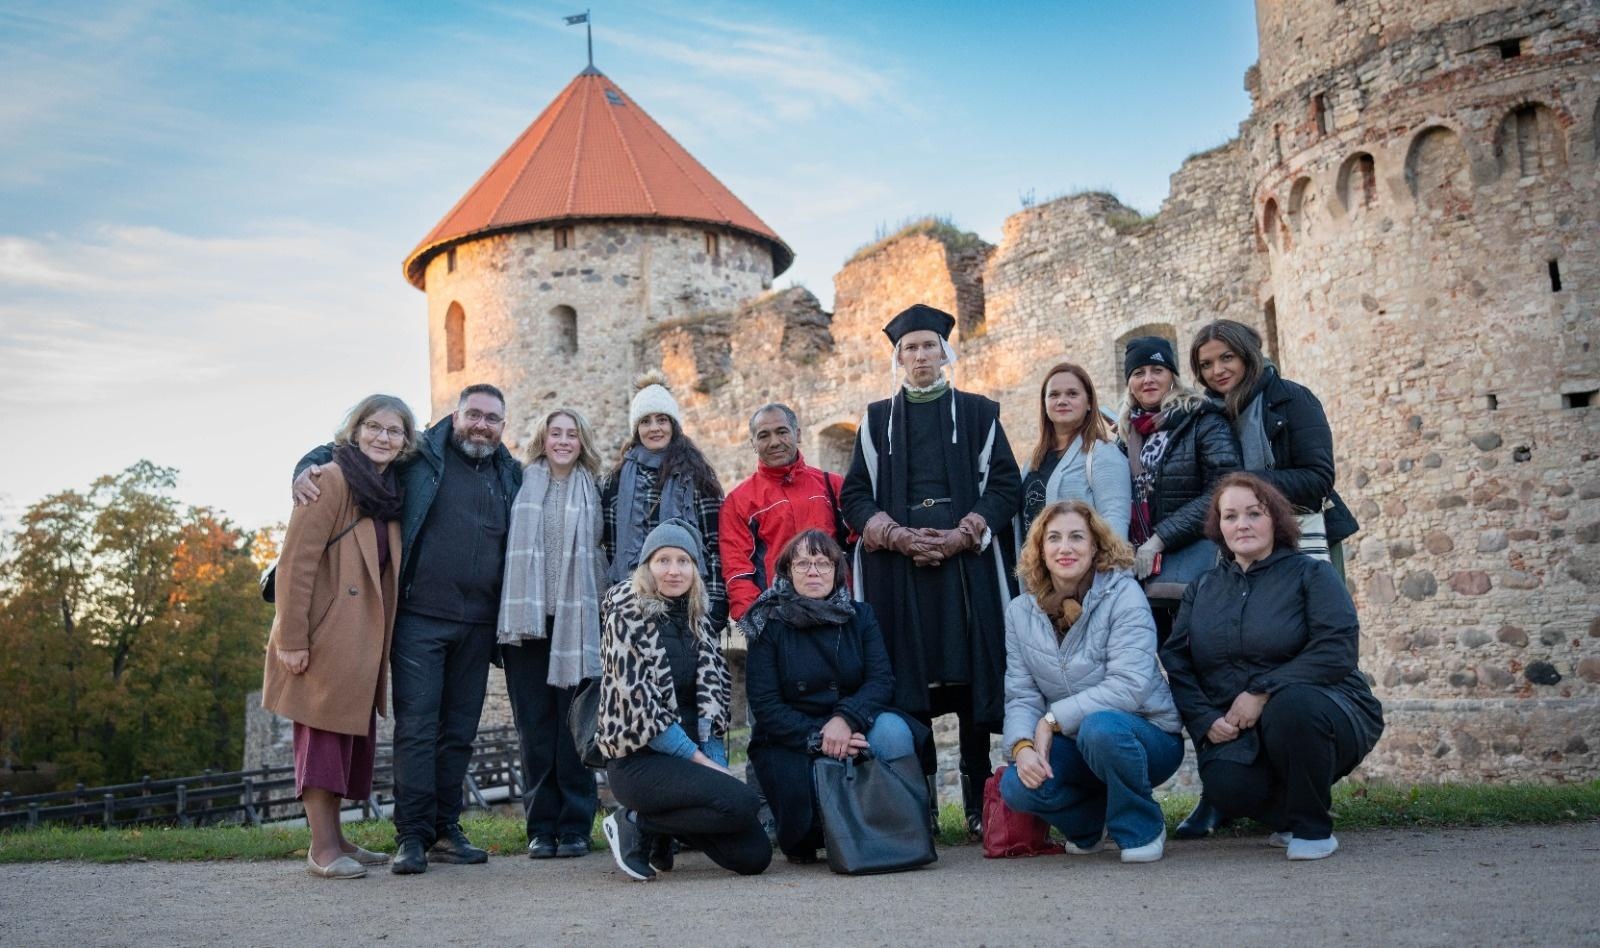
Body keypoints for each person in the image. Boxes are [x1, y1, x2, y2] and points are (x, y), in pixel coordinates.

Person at [293, 383, 522, 874]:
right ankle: (412, 835)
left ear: (503, 427)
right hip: (419, 617)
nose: (481, 425)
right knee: (418, 729)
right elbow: (347, 448)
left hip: (479, 622)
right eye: (473, 415)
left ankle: (444, 829)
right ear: (455, 416)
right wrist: (302, 469)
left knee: (458, 732)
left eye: (492, 419)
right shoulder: (420, 455)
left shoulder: (510, 472)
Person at [840, 303, 1022, 834]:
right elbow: (854, 495)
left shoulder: (980, 413)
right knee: (909, 679)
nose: (920, 356)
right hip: (900, 573)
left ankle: (976, 799)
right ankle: (918, 801)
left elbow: (1006, 485)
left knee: (969, 679)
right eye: (910, 348)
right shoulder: (876, 420)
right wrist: (894, 535)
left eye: (928, 346)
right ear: (898, 357)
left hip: (964, 567)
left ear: (945, 353)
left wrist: (963, 532)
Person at [1161, 473, 1384, 861]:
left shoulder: (1312, 573)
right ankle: (1289, 812)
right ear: (1219, 527)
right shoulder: (1203, 588)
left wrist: (1261, 690)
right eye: (1230, 516)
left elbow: (1336, 650)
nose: (1242, 524)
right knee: (1227, 787)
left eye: (1254, 513)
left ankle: (1312, 828)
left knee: (1291, 706)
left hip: (1326, 708)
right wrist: (1204, 718)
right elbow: (1177, 659)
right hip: (1238, 729)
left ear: (1275, 519)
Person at [265, 395, 414, 879]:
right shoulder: (328, 479)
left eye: (394, 431)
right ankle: (321, 847)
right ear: (354, 430)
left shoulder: (388, 490)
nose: (382, 438)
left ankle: (339, 839)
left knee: (349, 742)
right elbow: (295, 564)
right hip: (324, 634)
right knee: (321, 741)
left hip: (362, 639)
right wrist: (291, 638)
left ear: (406, 441)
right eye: (373, 427)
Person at [998, 500, 1183, 863]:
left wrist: (1052, 720)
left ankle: (1141, 827)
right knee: (1016, 785)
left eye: (1076, 537)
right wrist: (1022, 748)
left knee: (1100, 728)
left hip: (1146, 736)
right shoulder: (1021, 612)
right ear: (1040, 549)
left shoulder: (1123, 595)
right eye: (1053, 538)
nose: (1064, 548)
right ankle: (1088, 825)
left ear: (1096, 546)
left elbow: (1129, 685)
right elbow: (1021, 694)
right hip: (1079, 744)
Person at [596, 519, 771, 881]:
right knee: (744, 801)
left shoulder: (700, 622)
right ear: (647, 566)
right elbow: (642, 712)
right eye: (663, 560)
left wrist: (713, 759)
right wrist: (706, 765)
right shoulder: (626, 615)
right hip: (640, 760)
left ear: (695, 569)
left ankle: (659, 829)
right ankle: (633, 823)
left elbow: (713, 711)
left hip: (690, 758)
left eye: (683, 561)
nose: (673, 571)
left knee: (755, 856)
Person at [741, 529, 924, 864]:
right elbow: (766, 705)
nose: (814, 571)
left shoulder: (861, 616)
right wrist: (819, 736)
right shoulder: (767, 623)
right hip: (792, 735)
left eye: (823, 563)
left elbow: (881, 680)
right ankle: (828, 833)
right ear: (787, 571)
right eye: (803, 564)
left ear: (838, 571)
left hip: (855, 720)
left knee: (894, 733)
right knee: (803, 828)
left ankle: (898, 830)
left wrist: (844, 720)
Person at [497, 407, 607, 860]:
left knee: (574, 729)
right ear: (542, 438)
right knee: (535, 731)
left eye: (572, 434)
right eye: (555, 432)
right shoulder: (518, 485)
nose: (563, 440)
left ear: (582, 441)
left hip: (577, 624)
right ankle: (540, 828)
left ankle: (576, 827)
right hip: (527, 628)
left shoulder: (595, 489)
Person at [1188, 319, 1358, 570]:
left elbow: (1318, 478)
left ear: (1247, 356)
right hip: (1239, 548)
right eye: (1206, 364)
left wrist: (1245, 484)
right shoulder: (1206, 415)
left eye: (1227, 358)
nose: (1217, 370)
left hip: (1300, 537)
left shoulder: (1293, 398)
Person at [1118, 335, 1241, 641]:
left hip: (1196, 562)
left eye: (1157, 370)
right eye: (1138, 373)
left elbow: (1223, 491)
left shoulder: (1203, 420)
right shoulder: (1125, 436)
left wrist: (1159, 540)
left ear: (1172, 375)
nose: (1148, 379)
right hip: (1141, 570)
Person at [602, 372, 728, 630]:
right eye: (645, 421)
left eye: (662, 419)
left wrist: (714, 602)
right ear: (636, 429)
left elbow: (714, 543)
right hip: (632, 601)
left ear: (674, 424)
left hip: (689, 602)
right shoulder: (615, 481)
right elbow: (612, 547)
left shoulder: (697, 475)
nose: (654, 428)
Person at [719, 403, 852, 624]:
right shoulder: (739, 501)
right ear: (753, 443)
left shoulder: (833, 486)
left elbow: (859, 546)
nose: (774, 442)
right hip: (778, 618)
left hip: (838, 613)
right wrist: (756, 620)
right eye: (763, 435)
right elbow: (737, 569)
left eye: (782, 432)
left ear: (797, 434)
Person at [1017, 362, 1132, 545]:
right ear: (1044, 404)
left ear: (1089, 403)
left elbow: (1115, 523)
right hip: (1036, 572)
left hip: (1086, 572)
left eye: (1072, 394)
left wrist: (1111, 572)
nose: (1062, 400)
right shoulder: (1033, 461)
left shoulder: (1104, 455)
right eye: (1054, 394)